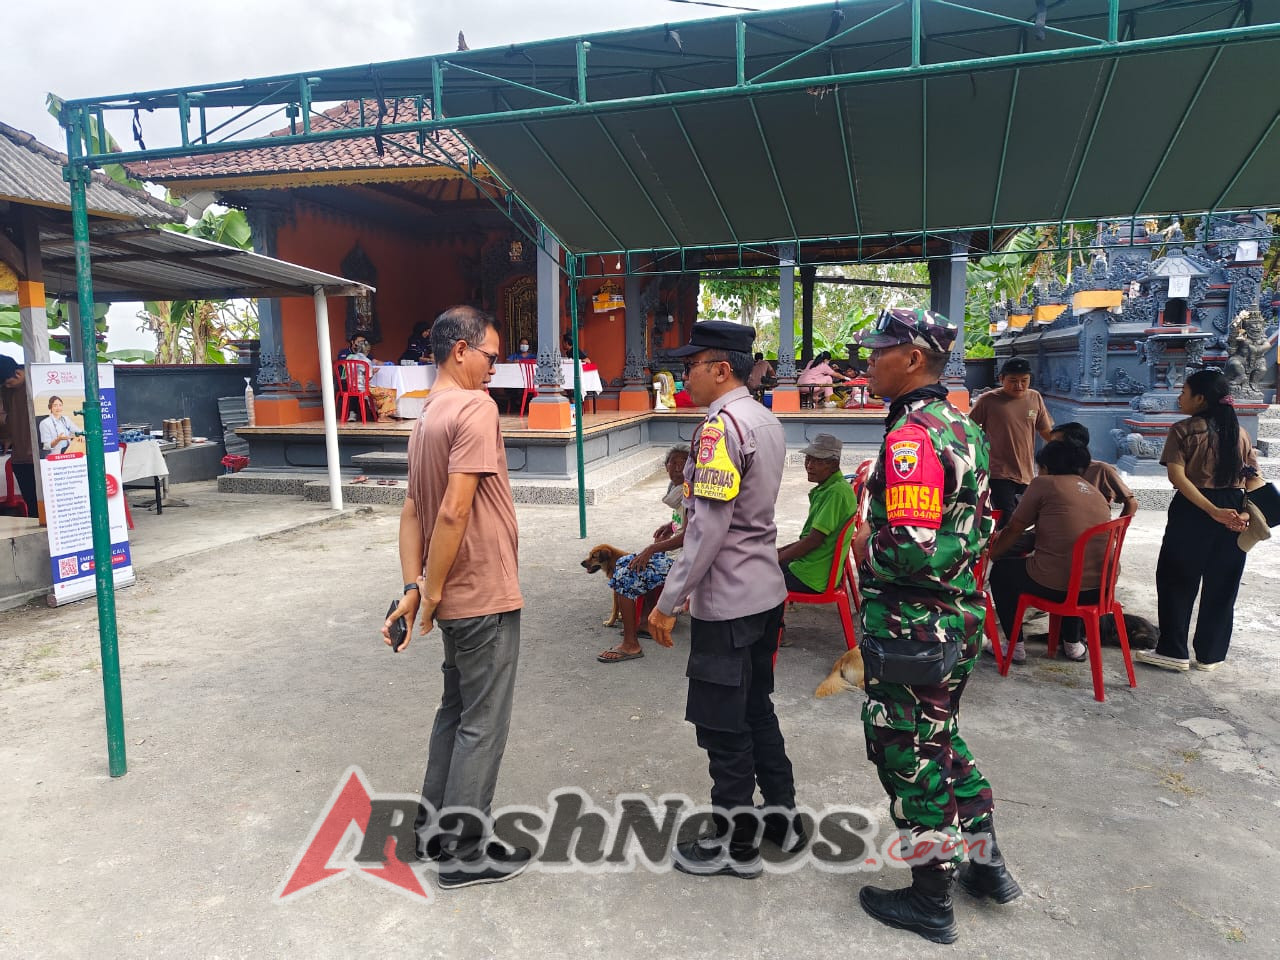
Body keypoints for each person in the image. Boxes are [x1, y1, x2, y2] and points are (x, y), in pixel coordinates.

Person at [852, 307, 1019, 945]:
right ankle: (986, 866)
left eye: (878, 352)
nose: (867, 362)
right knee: (942, 741)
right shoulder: (958, 423)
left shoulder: (911, 438)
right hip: (954, 617)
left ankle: (930, 899)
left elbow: (915, 549)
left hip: (914, 625)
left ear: (913, 358)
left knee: (907, 752)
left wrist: (869, 543)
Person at [380, 305, 530, 890]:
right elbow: (452, 509)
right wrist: (434, 589)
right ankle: (464, 852)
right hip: (481, 592)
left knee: (456, 710)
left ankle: (431, 829)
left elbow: (412, 509)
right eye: (492, 355)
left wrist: (415, 586)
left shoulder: (426, 415)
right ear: (461, 351)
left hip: (450, 593)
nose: (497, 368)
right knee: (483, 722)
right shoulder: (474, 407)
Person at [646, 320, 801, 878]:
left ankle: (736, 847)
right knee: (757, 707)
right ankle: (782, 819)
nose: (682, 374)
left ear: (721, 368)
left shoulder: (719, 428)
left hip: (728, 602)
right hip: (763, 591)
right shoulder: (763, 417)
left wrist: (667, 601)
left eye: (690, 364)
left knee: (723, 726)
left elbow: (707, 528)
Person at [1136, 370, 1263, 672]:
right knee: (1223, 584)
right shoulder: (1238, 432)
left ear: (1200, 399)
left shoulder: (1183, 430)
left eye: (1184, 392)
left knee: (1176, 579)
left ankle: (1173, 651)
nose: (1180, 397)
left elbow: (1177, 477)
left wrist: (1210, 510)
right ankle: (1211, 655)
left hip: (1194, 510)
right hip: (1233, 509)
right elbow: (1253, 479)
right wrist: (1245, 514)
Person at [988, 440, 1113, 664]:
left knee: (1002, 572)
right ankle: (1073, 644)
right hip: (1102, 590)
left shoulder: (1044, 484)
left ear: (1045, 465)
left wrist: (994, 552)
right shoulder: (1094, 492)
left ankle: (1014, 646)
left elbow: (1015, 528)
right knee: (1071, 567)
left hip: (1059, 588)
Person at [597, 446, 689, 663]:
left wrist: (652, 549)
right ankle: (645, 622)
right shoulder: (677, 491)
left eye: (684, 463)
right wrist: (671, 525)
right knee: (625, 565)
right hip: (674, 553)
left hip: (684, 559)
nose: (678, 468)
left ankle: (631, 644)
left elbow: (690, 535)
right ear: (665, 467)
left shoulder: (691, 491)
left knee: (627, 573)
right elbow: (684, 523)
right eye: (673, 463)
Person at [970, 356, 1053, 525]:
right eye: (1013, 380)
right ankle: (1002, 551)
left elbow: (1046, 431)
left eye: (1024, 380)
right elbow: (968, 430)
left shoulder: (1034, 397)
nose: (1019, 386)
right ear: (1001, 379)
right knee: (1007, 518)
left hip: (1026, 471)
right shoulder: (988, 400)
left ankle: (1012, 549)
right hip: (998, 471)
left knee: (1026, 517)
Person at [777, 433, 857, 595]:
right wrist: (778, 553)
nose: (810, 466)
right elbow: (808, 539)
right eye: (808, 459)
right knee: (766, 562)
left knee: (756, 578)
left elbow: (813, 541)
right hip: (811, 567)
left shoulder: (835, 493)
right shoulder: (831, 487)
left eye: (817, 461)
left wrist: (778, 557)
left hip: (811, 576)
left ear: (834, 465)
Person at [1050, 422, 1138, 516]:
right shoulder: (1050, 468)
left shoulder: (1101, 469)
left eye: (1057, 444)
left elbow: (1131, 503)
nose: (1051, 448)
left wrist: (1118, 528)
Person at [0, 357, 36, 515]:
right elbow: (6, 416)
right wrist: (6, 436)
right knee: (32, 505)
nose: (7, 387)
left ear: (18, 373)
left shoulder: (36, 384)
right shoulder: (6, 391)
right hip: (20, 458)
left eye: (8, 383)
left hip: (38, 457)